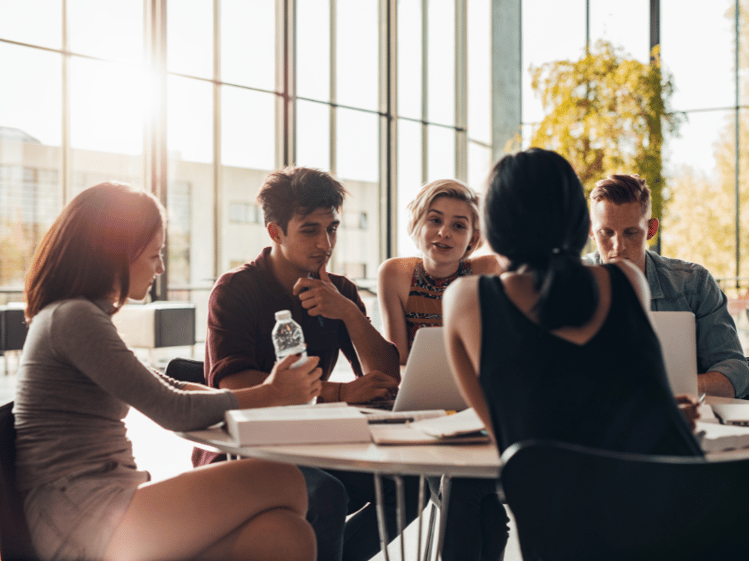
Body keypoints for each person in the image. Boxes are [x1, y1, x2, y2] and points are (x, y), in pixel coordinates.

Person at [14, 182, 319, 561]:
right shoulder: (74, 318)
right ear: (115, 251)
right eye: (155, 254)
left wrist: (266, 393)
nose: (160, 267)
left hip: (99, 509)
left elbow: (169, 386)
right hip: (81, 519)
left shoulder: (77, 315)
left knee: (286, 536)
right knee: (282, 478)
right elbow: (172, 409)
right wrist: (272, 394)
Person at [192, 166, 421, 561]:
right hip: (243, 449)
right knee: (326, 496)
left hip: (313, 442)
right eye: (310, 230)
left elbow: (386, 373)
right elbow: (234, 384)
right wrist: (338, 393)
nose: (325, 243)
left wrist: (349, 313)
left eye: (332, 229)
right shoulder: (235, 290)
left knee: (413, 481)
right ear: (275, 232)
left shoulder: (340, 290)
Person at [443, 148, 704, 462]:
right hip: (679, 497)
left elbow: (512, 438)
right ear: (581, 221)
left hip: (558, 506)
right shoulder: (628, 280)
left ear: (493, 223)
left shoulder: (465, 299)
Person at [377, 179, 508, 561]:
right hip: (422, 411)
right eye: (434, 220)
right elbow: (399, 358)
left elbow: (519, 263)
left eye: (459, 225)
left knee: (475, 497)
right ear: (416, 224)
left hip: (477, 409)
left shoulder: (485, 269)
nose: (444, 233)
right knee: (476, 499)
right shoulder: (396, 274)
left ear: (473, 237)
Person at [584, 173, 749, 399]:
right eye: (607, 233)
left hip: (675, 416)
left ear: (651, 229)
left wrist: (674, 387)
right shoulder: (568, 284)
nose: (618, 247)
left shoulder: (694, 284)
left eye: (631, 233)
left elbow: (736, 372)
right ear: (592, 230)